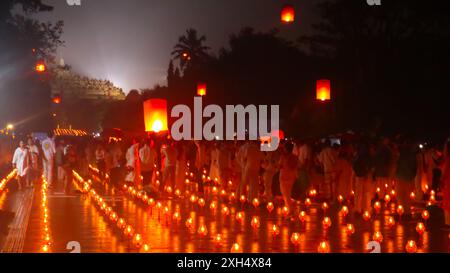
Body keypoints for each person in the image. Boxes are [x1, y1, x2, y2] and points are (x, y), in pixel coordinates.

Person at [395, 140, 418, 215]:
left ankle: (401, 211)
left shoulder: (400, 154)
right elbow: (415, 167)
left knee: (400, 196)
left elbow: (396, 164)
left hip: (400, 176)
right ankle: (407, 212)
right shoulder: (412, 155)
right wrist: (412, 176)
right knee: (407, 196)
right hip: (408, 177)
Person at [352, 141, 375, 214]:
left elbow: (354, 164)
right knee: (367, 193)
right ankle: (366, 208)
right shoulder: (369, 156)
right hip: (366, 175)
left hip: (359, 175)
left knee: (359, 193)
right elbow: (372, 166)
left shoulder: (358, 155)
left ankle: (357, 209)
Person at [278, 141, 298, 215]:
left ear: (286, 149)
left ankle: (290, 210)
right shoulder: (295, 157)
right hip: (292, 177)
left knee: (286, 195)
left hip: (284, 176)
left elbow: (279, 165)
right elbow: (296, 166)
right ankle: (290, 209)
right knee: (287, 194)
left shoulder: (283, 157)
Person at [441, 140, 450, 227]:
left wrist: (441, 181)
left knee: (447, 202)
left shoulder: (447, 159)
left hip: (448, 184)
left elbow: (444, 173)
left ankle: (448, 223)